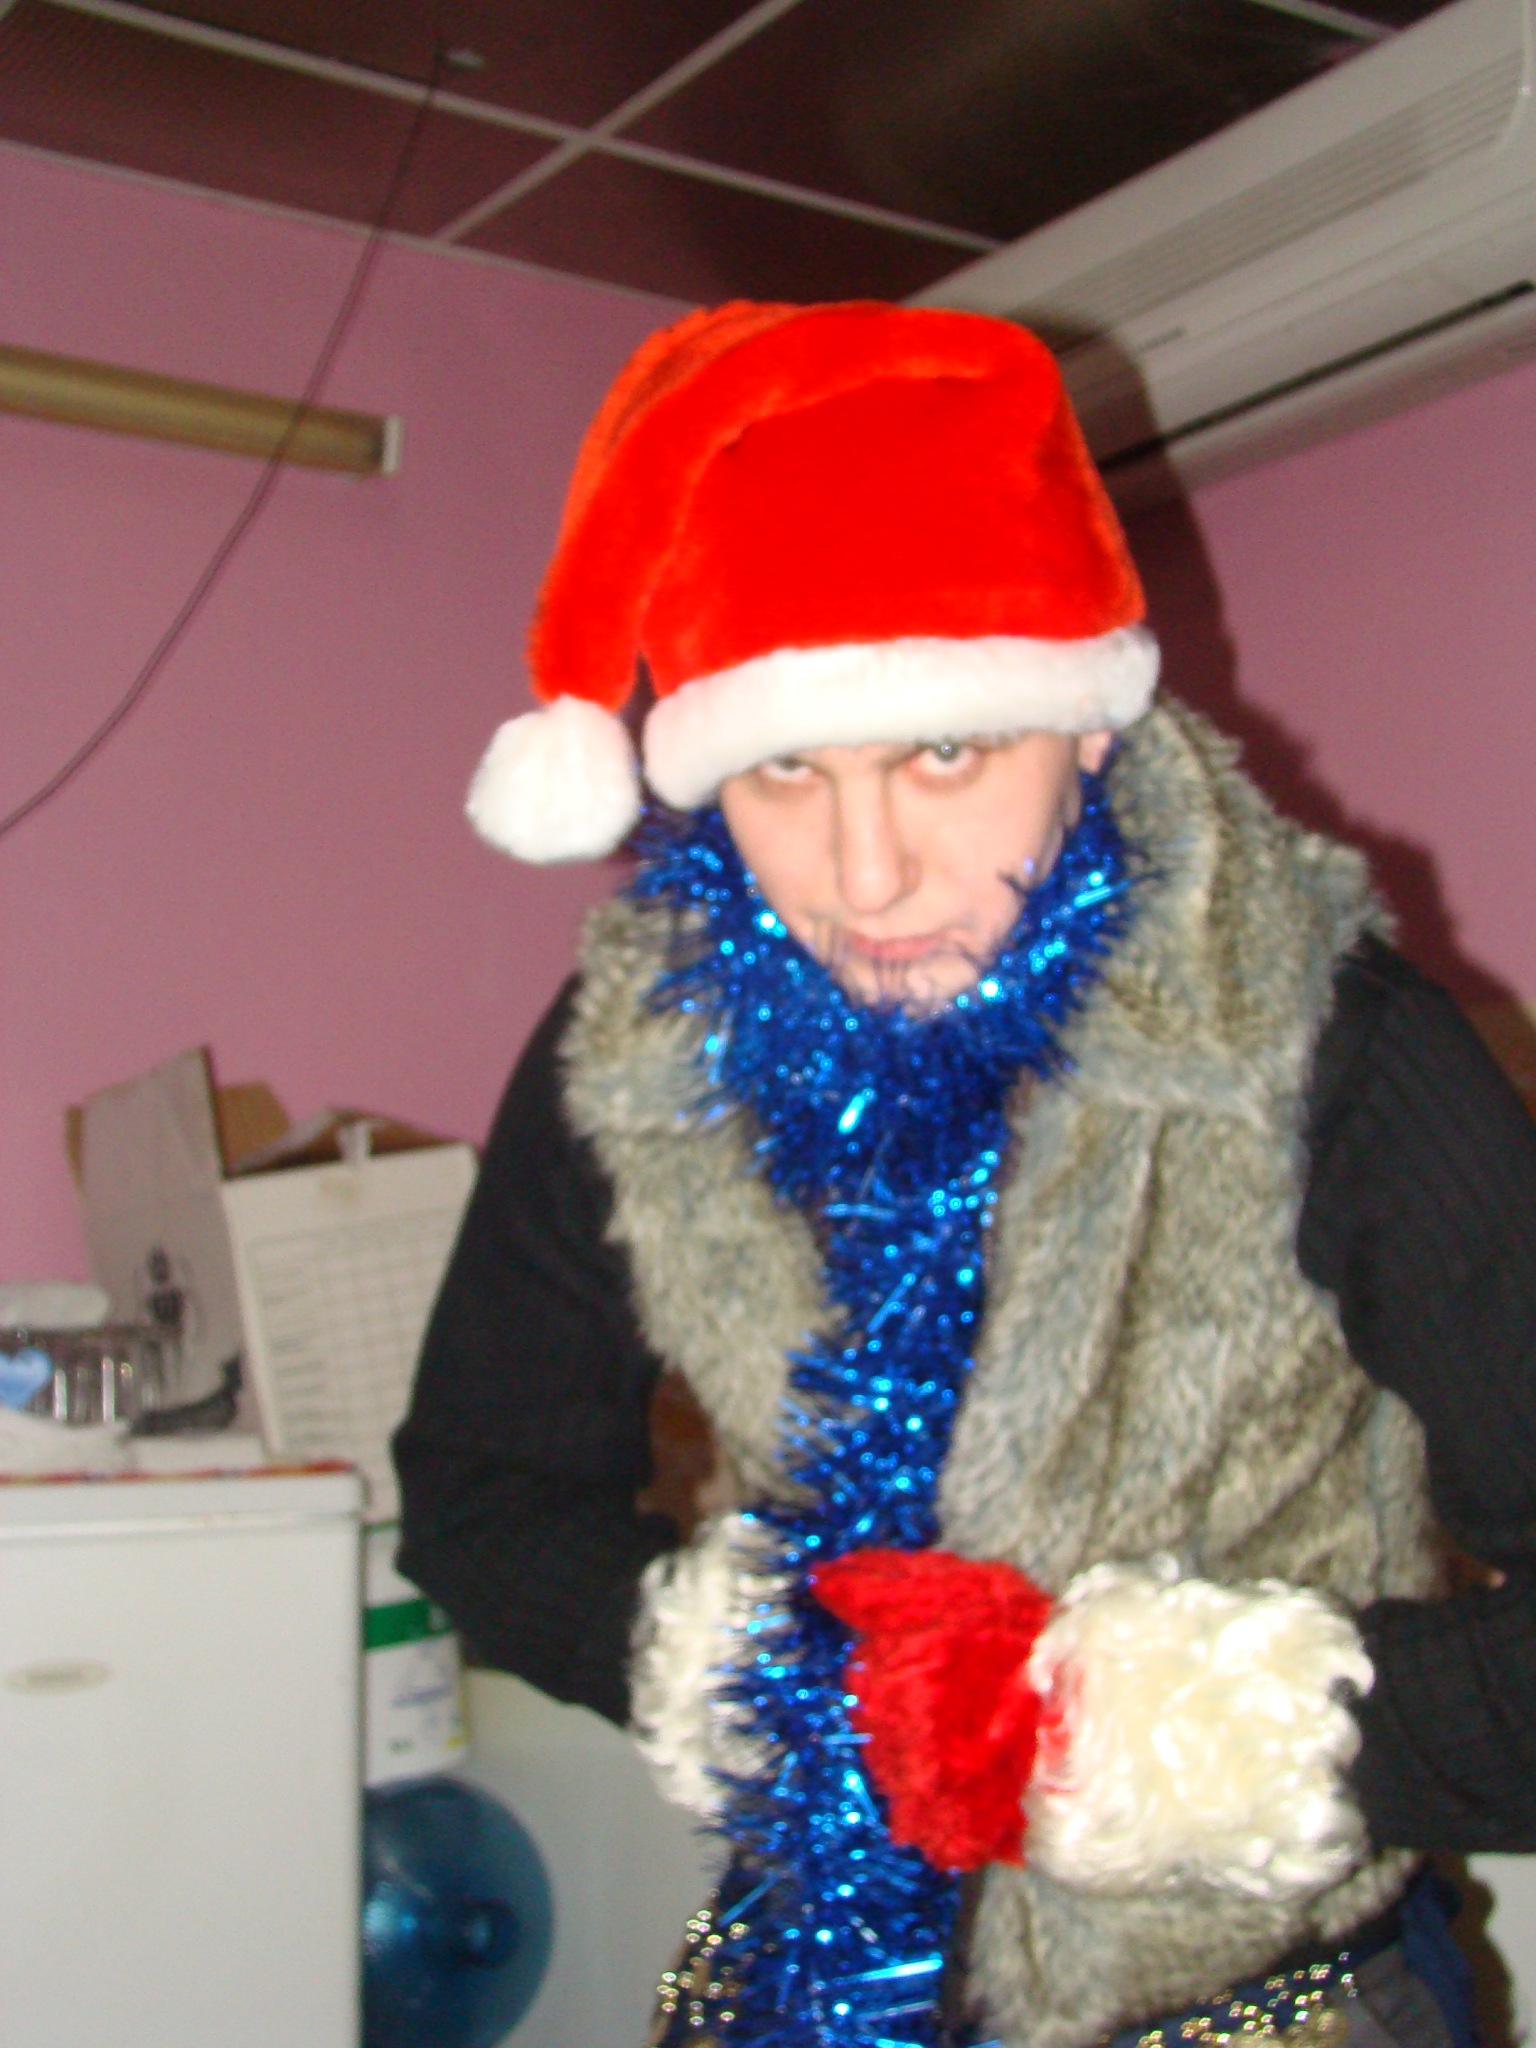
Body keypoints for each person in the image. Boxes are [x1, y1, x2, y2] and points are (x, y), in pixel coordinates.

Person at [394, 301, 1536, 2048]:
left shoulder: (1330, 1046)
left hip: (1273, 2005)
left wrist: (1140, 1733)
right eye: (786, 769)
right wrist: (755, 1672)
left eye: (945, 753)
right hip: (800, 1978)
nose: (867, 878)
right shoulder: (645, 1045)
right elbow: (475, 1500)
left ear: (1087, 724)